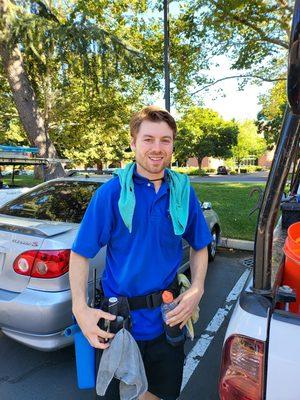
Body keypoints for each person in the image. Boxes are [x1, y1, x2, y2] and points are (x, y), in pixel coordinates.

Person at [69, 105, 212, 400]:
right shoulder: (111, 194)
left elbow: (200, 245)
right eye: (148, 139)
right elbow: (80, 254)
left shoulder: (182, 192)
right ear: (133, 143)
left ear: (173, 144)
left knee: (161, 395)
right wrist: (79, 309)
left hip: (168, 321)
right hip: (120, 327)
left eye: (165, 140)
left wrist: (197, 288)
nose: (157, 148)